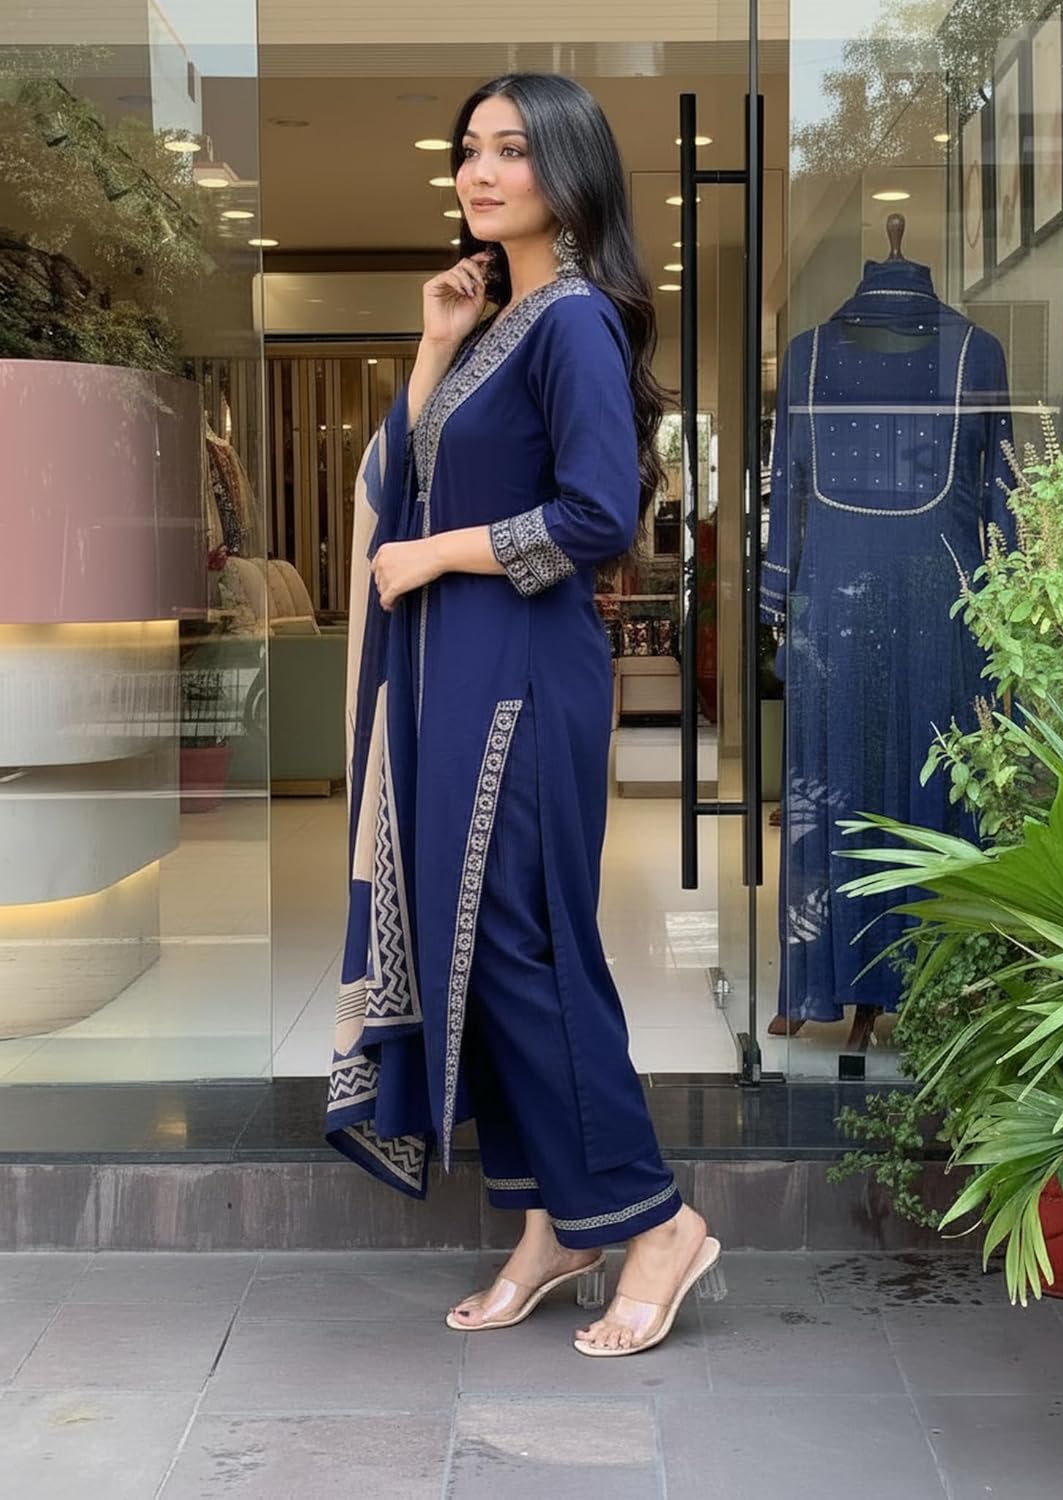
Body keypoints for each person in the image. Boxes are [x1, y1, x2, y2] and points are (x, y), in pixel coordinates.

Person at [326, 71, 720, 1357]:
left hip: (522, 675)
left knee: (523, 946)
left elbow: (598, 515)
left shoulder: (576, 322)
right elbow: (402, 484)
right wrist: (434, 345)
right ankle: (558, 1221)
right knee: (470, 947)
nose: (479, 171)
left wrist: (439, 557)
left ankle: (656, 1222)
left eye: (510, 149)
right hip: (457, 672)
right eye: (468, 150)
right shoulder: (497, 322)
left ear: (567, 167)